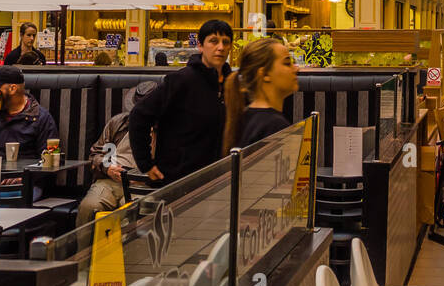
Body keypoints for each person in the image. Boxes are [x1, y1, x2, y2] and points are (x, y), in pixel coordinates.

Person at [128, 19, 234, 185]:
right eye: (213, 41)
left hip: (218, 180)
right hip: (178, 180)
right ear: (200, 46)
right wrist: (146, 164)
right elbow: (139, 115)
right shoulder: (181, 80)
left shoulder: (232, 84)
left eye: (225, 42)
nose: (220, 47)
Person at [76, 79, 156, 226]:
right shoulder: (117, 123)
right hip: (110, 181)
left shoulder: (168, 129)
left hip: (144, 186)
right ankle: (85, 250)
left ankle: (127, 248)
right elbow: (97, 154)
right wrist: (108, 169)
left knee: (132, 213)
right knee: (88, 208)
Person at [223, 37, 299, 153]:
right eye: (287, 63)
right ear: (265, 74)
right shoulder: (274, 126)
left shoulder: (245, 116)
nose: (296, 69)